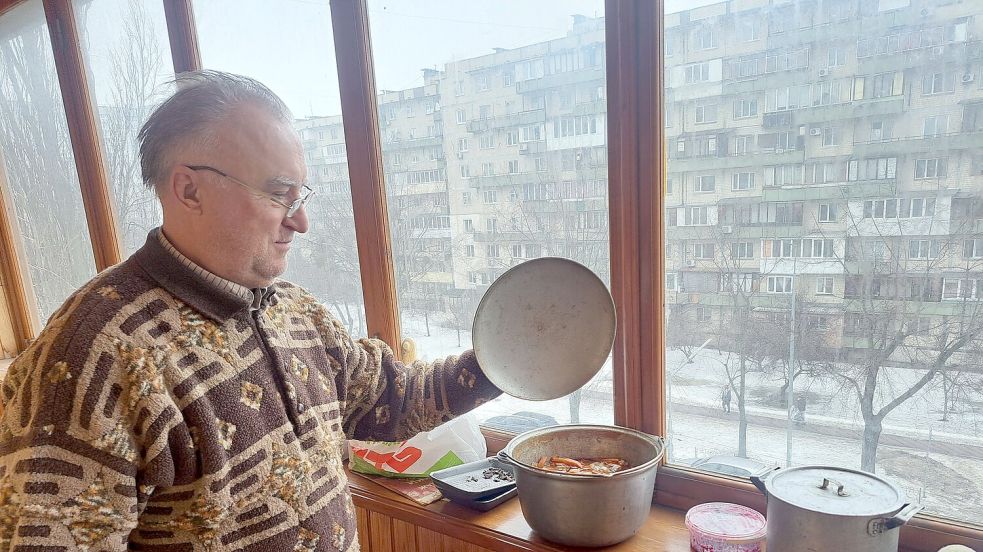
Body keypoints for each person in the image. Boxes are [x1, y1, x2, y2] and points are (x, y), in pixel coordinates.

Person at [0, 70, 503, 551]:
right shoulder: (94, 354)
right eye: (280, 194)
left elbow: (393, 399)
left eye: (300, 195)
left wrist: (508, 359)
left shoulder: (296, 311)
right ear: (189, 189)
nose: (301, 222)